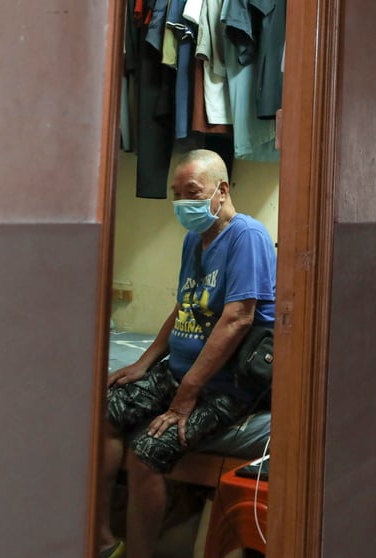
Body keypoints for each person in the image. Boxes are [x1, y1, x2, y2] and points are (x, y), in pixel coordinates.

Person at [97, 149, 277, 558]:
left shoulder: (247, 237)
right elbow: (184, 307)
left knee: (146, 451)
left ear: (222, 190)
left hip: (222, 384)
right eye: (176, 194)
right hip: (178, 370)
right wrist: (143, 364)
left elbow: (238, 318)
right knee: (103, 413)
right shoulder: (194, 240)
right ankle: (105, 542)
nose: (183, 203)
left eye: (192, 192)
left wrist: (186, 395)